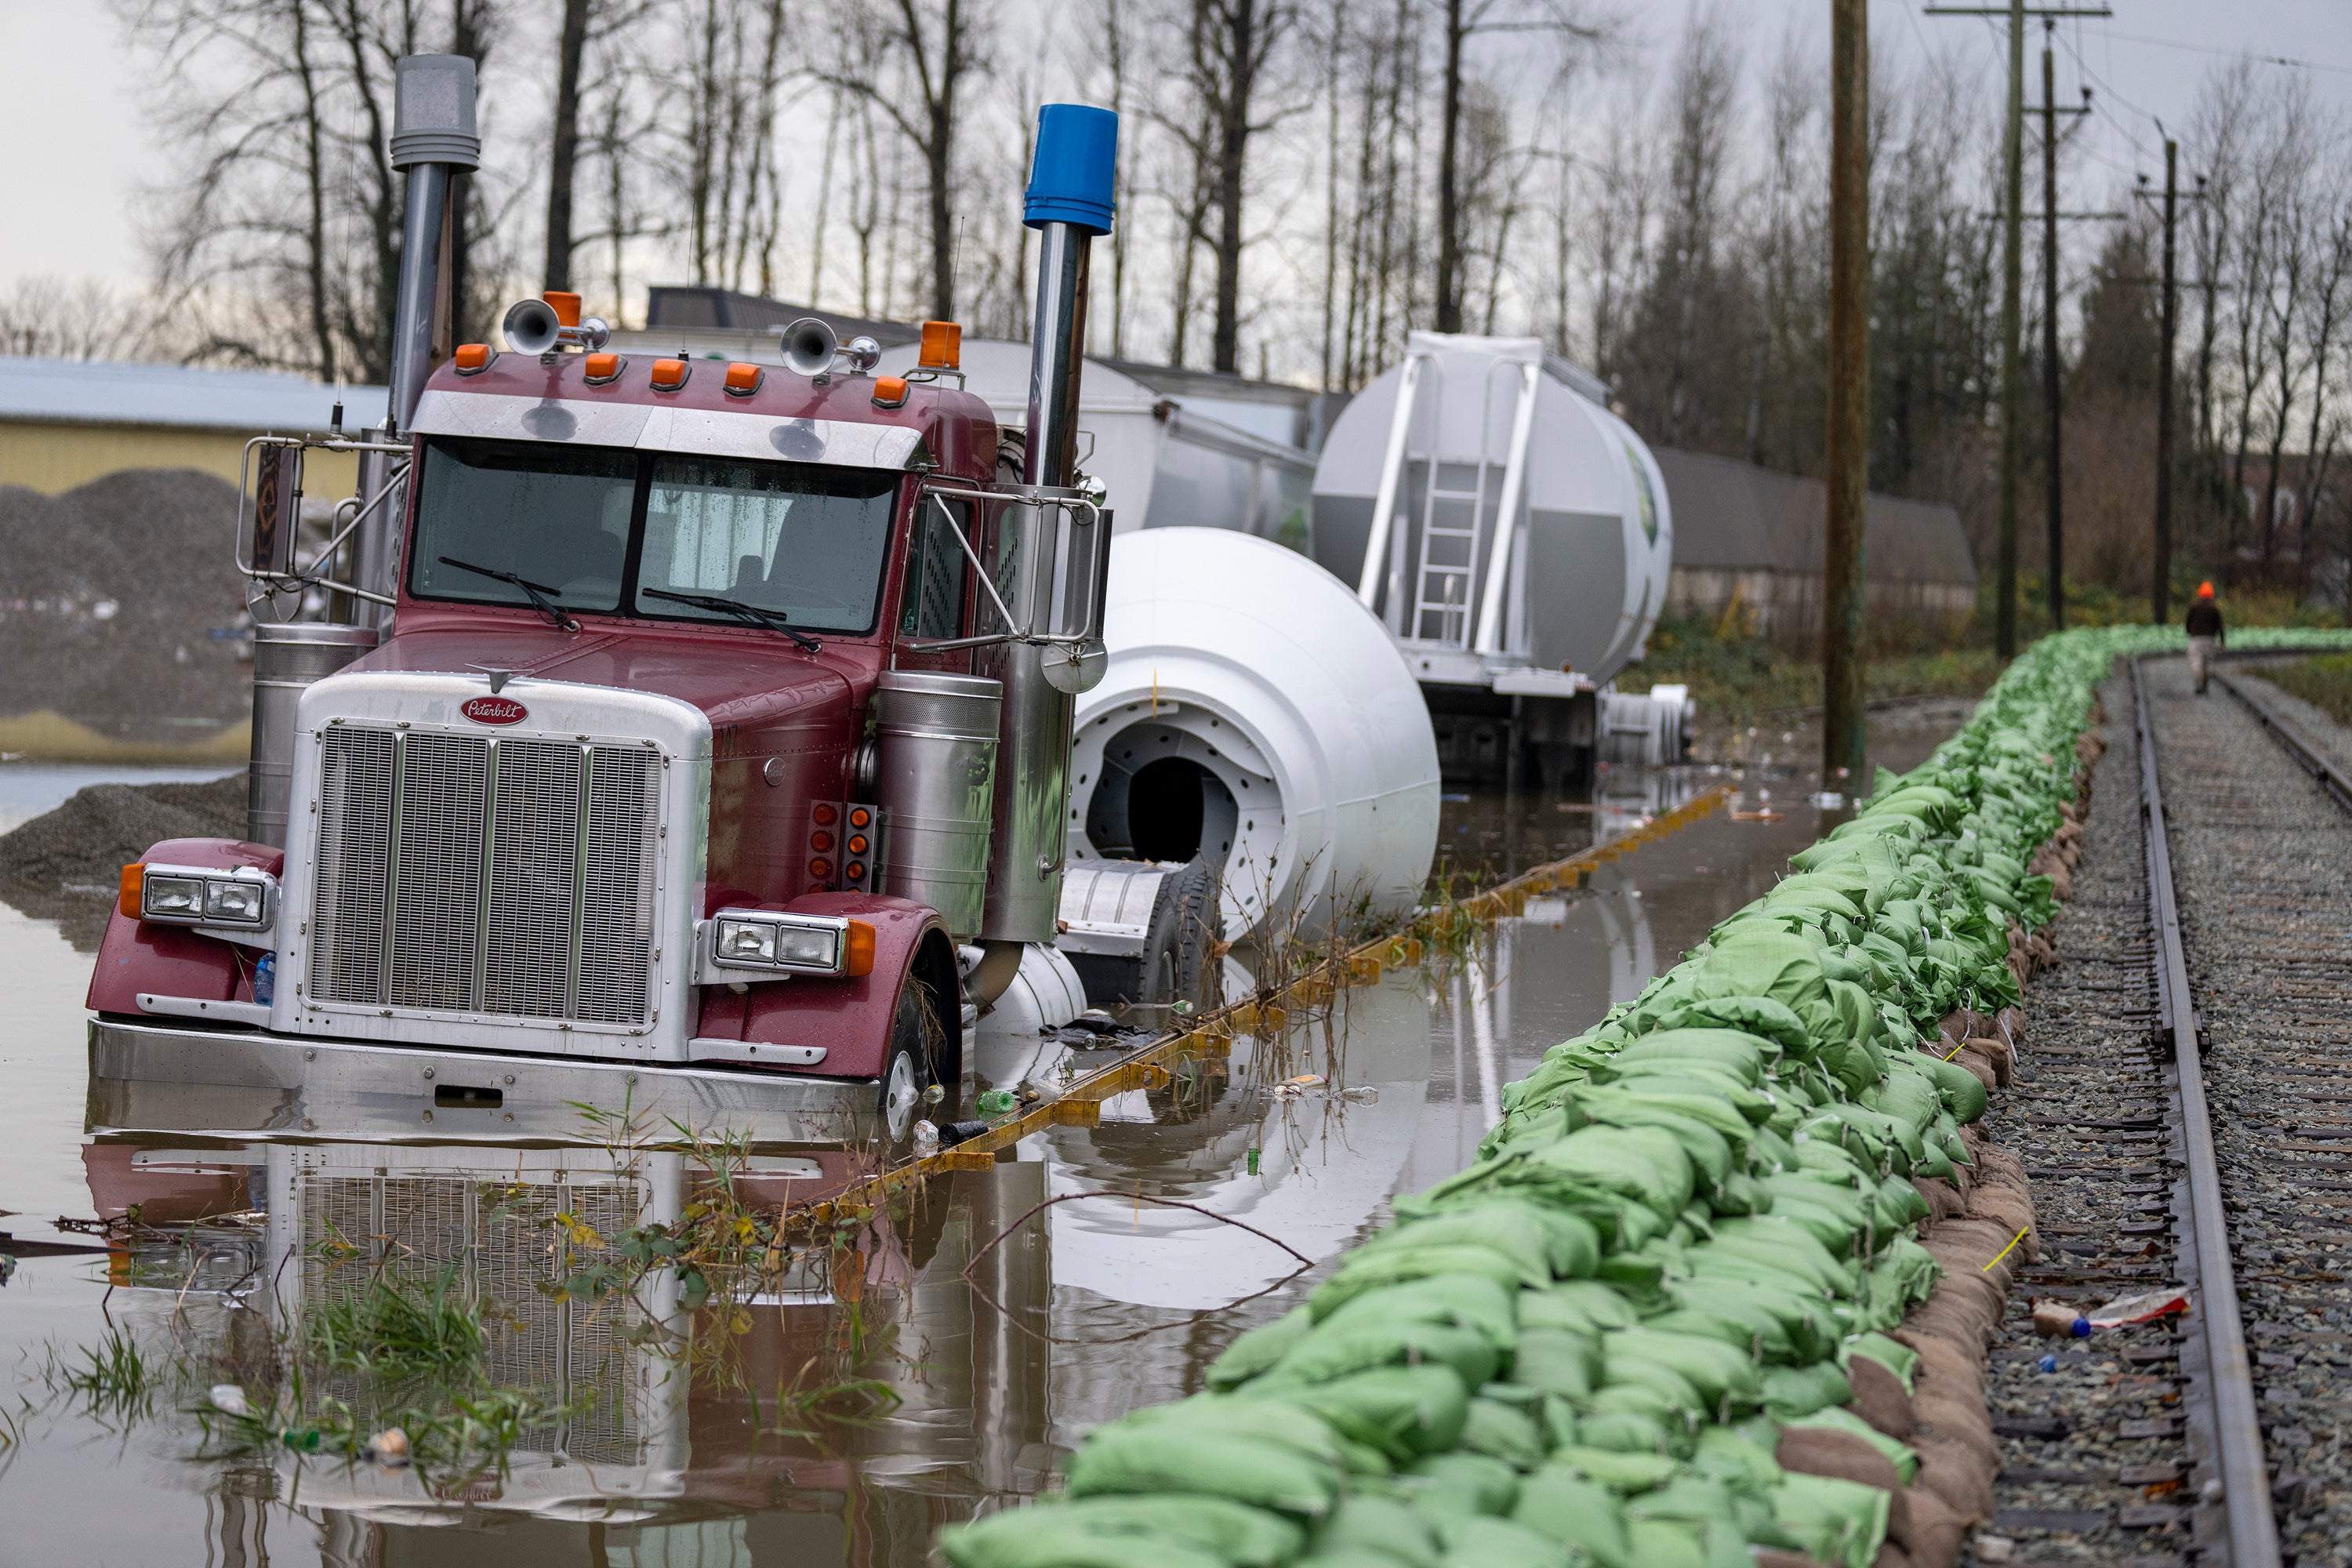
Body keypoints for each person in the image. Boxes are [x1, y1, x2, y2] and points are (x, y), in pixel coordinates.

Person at [2185, 581, 2224, 694]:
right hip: (2210, 640)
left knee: (2196, 661)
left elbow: (2188, 621)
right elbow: (2220, 626)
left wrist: (2189, 631)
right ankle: (2205, 685)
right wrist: (2222, 642)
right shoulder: (2214, 608)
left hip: (2196, 639)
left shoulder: (2194, 606)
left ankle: (2198, 683)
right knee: (2207, 663)